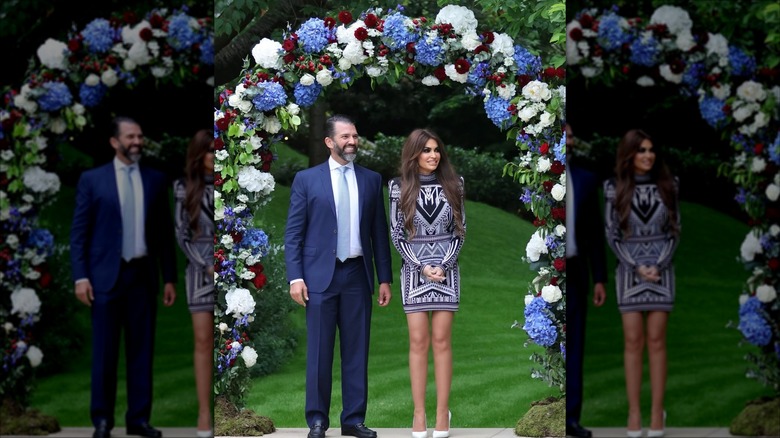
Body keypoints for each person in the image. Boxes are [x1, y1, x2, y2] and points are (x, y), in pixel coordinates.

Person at [284, 114, 393, 438]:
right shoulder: (307, 179)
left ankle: (353, 420)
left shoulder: (372, 180)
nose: (352, 142)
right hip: (318, 278)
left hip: (357, 275)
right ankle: (317, 420)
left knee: (357, 351)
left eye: (355, 136)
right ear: (329, 141)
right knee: (319, 352)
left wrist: (384, 278)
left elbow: (379, 233)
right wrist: (295, 277)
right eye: (345, 137)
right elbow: (293, 235)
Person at [70, 116, 177, 438]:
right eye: (130, 136)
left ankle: (138, 420)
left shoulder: (156, 179)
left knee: (141, 352)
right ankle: (102, 420)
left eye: (140, 136)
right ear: (114, 142)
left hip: (142, 276)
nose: (137, 141)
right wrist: (80, 277)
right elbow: (79, 234)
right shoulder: (92, 180)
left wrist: (169, 277)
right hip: (104, 278)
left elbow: (163, 234)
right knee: (104, 352)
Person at [388, 128, 466, 438]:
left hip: (447, 272)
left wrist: (443, 265)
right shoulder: (398, 187)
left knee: (442, 341)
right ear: (414, 154)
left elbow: (461, 231)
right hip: (413, 271)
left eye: (436, 150)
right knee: (418, 342)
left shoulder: (455, 185)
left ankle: (441, 414)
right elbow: (396, 233)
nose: (433, 155)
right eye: (426, 150)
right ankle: (418, 413)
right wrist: (421, 267)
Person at [603, 129, 680, 438]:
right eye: (641, 150)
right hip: (628, 272)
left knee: (657, 341)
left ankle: (655, 412)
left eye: (651, 150)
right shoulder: (613, 187)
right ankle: (634, 411)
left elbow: (676, 230)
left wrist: (656, 265)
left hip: (662, 271)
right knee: (633, 342)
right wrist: (637, 266)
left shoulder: (669, 186)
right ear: (629, 154)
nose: (648, 155)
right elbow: (612, 233)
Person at [564, 123, 607, 438]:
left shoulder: (586, 179)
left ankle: (572, 419)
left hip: (577, 271)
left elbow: (595, 233)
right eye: (563, 132)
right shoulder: (542, 178)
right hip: (547, 271)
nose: (569, 138)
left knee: (576, 344)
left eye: (571, 133)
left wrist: (600, 278)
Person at [173, 129, 215, 438]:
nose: (213, 157)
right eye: (209, 151)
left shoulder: (231, 182)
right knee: (202, 342)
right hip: (199, 273)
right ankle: (204, 413)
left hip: (230, 269)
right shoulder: (183, 188)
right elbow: (181, 235)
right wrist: (205, 265)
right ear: (198, 156)